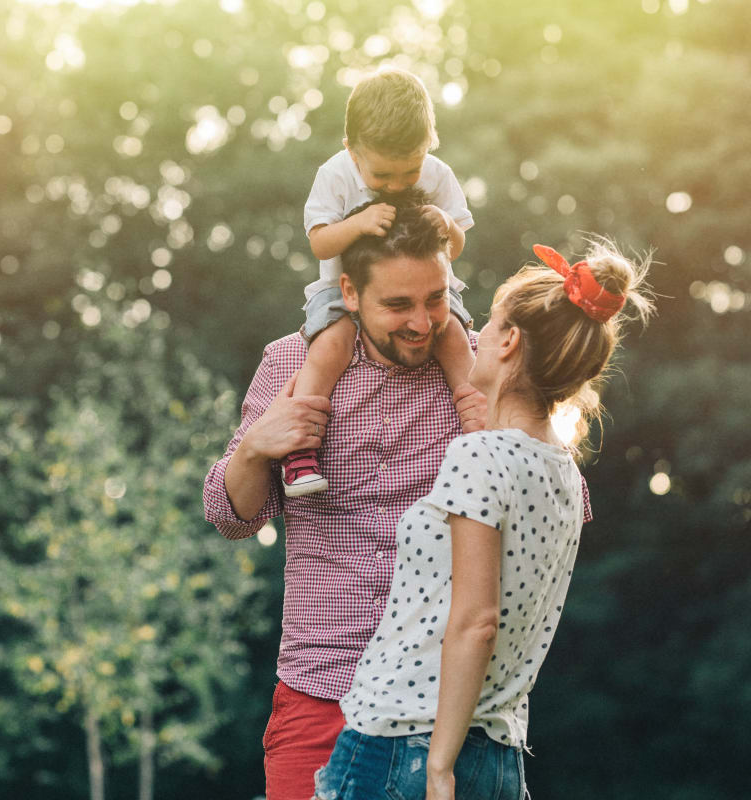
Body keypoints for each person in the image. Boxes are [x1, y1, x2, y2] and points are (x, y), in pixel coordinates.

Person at [312, 239, 652, 800]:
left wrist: (439, 767)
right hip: (499, 759)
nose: (477, 337)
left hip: (406, 748)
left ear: (511, 341)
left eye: (489, 325)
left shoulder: (481, 455)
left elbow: (477, 621)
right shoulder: (566, 475)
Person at [202, 201, 491, 800]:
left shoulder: (481, 366)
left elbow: (554, 511)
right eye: (397, 305)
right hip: (321, 688)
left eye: (435, 299)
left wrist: (504, 434)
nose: (421, 322)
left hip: (443, 700)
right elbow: (230, 517)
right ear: (349, 293)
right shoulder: (290, 362)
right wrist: (256, 450)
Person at [281, 67, 476, 497]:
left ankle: (480, 427)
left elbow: (457, 246)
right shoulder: (335, 175)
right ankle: (299, 452)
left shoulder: (438, 174)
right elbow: (320, 244)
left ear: (429, 146)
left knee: (456, 340)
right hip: (340, 291)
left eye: (409, 174)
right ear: (352, 150)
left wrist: (445, 223)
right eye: (382, 177)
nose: (395, 186)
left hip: (427, 285)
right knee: (329, 347)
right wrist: (360, 223)